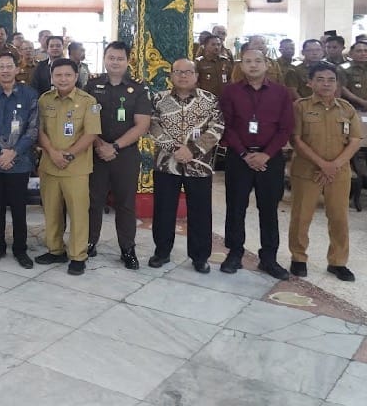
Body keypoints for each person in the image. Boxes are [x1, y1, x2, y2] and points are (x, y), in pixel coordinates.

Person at [219, 45, 295, 279]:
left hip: (270, 159)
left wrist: (266, 155)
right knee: (235, 207)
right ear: (241, 66)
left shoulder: (281, 93)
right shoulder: (230, 92)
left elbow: (285, 129)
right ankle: (234, 253)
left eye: (258, 61)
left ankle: (269, 258)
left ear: (267, 65)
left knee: (269, 208)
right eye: (248, 61)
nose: (253, 65)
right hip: (238, 158)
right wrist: (244, 154)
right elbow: (226, 127)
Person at [288, 61, 361, 281]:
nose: (326, 84)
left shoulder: (347, 109)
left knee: (339, 217)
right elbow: (296, 139)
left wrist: (334, 165)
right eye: (320, 79)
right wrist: (322, 164)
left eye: (331, 80)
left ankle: (338, 262)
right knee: (301, 217)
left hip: (339, 172)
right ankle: (298, 258)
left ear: (337, 84)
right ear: (310, 83)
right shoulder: (300, 107)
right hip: (307, 170)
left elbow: (355, 140)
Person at [149, 60, 223, 273]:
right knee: (164, 209)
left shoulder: (210, 100)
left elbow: (217, 127)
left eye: (188, 72)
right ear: (171, 75)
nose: (183, 76)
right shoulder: (158, 99)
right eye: (178, 72)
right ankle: (162, 252)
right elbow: (152, 125)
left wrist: (192, 150)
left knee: (200, 212)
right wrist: (174, 148)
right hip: (166, 164)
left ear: (196, 75)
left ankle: (200, 257)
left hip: (199, 165)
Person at [85, 41, 152, 270]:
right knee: (93, 201)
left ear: (127, 61)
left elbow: (142, 125)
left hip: (125, 155)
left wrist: (114, 146)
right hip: (95, 152)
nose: (115, 62)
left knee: (125, 204)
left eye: (120, 58)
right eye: (111, 58)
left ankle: (127, 249)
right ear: (105, 59)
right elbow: (85, 120)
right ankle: (89, 242)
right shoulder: (92, 86)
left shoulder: (138, 89)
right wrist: (99, 144)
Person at [35, 58, 101, 275]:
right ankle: (55, 250)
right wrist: (53, 153)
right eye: (58, 75)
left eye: (68, 75)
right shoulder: (44, 100)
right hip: (49, 165)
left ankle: (78, 255)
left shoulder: (88, 101)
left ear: (76, 76)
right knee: (51, 211)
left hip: (76, 169)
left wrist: (69, 155)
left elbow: (91, 133)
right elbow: (39, 131)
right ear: (52, 77)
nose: (63, 79)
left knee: (78, 213)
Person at [0, 52, 39, 268]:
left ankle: (20, 249)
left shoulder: (29, 94)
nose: (5, 70)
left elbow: (33, 129)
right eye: (1, 66)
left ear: (17, 69)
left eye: (9, 66)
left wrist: (13, 152)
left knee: (19, 208)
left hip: (19, 163)